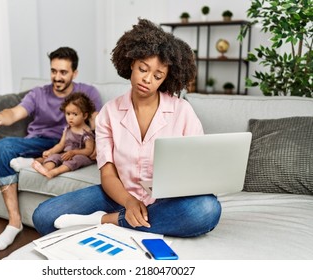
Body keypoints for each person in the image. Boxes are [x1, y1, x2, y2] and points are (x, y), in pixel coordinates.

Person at [32, 19, 221, 238]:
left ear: (166, 79)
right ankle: (135, 218)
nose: (147, 79)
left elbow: (198, 168)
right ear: (131, 63)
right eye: (143, 69)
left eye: (158, 76)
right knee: (44, 216)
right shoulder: (109, 114)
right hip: (117, 195)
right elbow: (108, 173)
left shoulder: (182, 111)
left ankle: (107, 221)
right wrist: (129, 202)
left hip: (166, 200)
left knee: (207, 210)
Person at [0, 47, 102, 250]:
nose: (57, 77)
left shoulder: (88, 92)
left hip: (67, 143)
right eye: (54, 71)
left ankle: (37, 160)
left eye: (63, 72)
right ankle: (14, 222)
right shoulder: (38, 93)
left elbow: (98, 121)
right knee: (1, 147)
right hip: (38, 141)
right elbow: (14, 113)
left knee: (67, 150)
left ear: (74, 73)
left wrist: (101, 140)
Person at [32, 92, 96, 179]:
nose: (70, 117)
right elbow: (61, 145)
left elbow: (89, 150)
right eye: (68, 114)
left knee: (76, 159)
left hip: (81, 155)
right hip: (66, 154)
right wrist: (51, 151)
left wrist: (73, 152)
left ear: (84, 115)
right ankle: (45, 169)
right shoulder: (68, 129)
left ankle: (55, 172)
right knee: (55, 156)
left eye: (75, 114)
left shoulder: (86, 132)